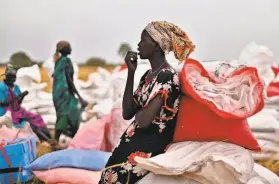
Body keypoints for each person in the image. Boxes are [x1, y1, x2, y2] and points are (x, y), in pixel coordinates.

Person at [99, 21, 195, 184]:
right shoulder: (148, 76)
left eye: (144, 40)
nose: (139, 44)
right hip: (134, 143)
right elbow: (127, 112)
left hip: (149, 146)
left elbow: (143, 122)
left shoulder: (166, 76)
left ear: (157, 45)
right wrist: (131, 73)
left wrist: (141, 111)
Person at [0, 65, 51, 141]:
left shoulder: (16, 87)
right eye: (11, 78)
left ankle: (50, 139)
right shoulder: (2, 87)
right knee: (29, 123)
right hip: (6, 112)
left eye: (14, 78)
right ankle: (47, 140)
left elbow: (18, 103)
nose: (13, 80)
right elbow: (2, 103)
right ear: (6, 77)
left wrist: (22, 96)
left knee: (37, 118)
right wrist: (17, 97)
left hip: (17, 110)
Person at [52, 41, 88, 141]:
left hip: (58, 94)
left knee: (65, 115)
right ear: (64, 49)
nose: (71, 49)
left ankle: (72, 139)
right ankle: (57, 140)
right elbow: (69, 80)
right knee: (70, 114)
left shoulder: (58, 61)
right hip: (64, 94)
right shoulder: (66, 61)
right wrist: (80, 98)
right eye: (69, 47)